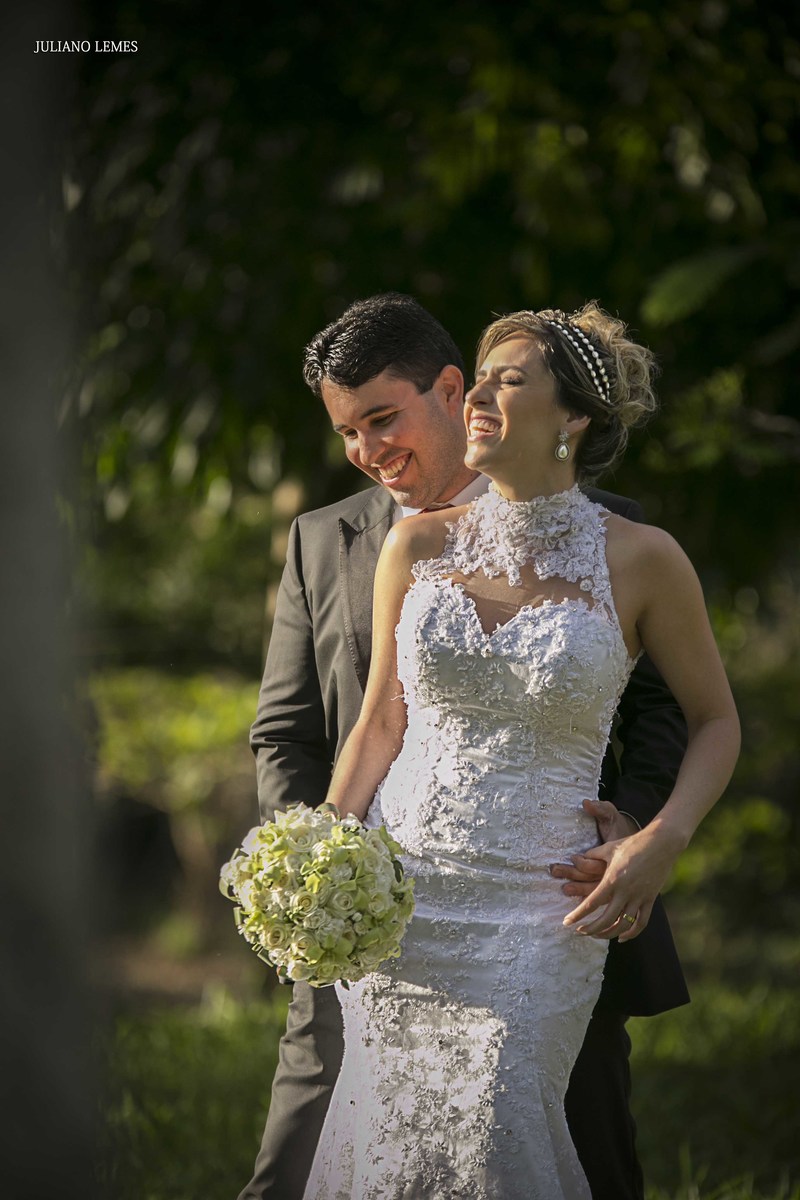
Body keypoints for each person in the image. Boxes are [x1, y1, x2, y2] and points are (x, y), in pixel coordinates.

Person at [240, 294, 695, 1200]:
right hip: (381, 910)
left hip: (556, 902)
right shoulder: (331, 540)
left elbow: (671, 715)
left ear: (449, 392)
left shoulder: (621, 541)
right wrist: (318, 873)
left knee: (550, 1155)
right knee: (310, 1170)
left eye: (383, 419)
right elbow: (296, 730)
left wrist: (641, 834)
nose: (368, 451)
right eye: (347, 433)